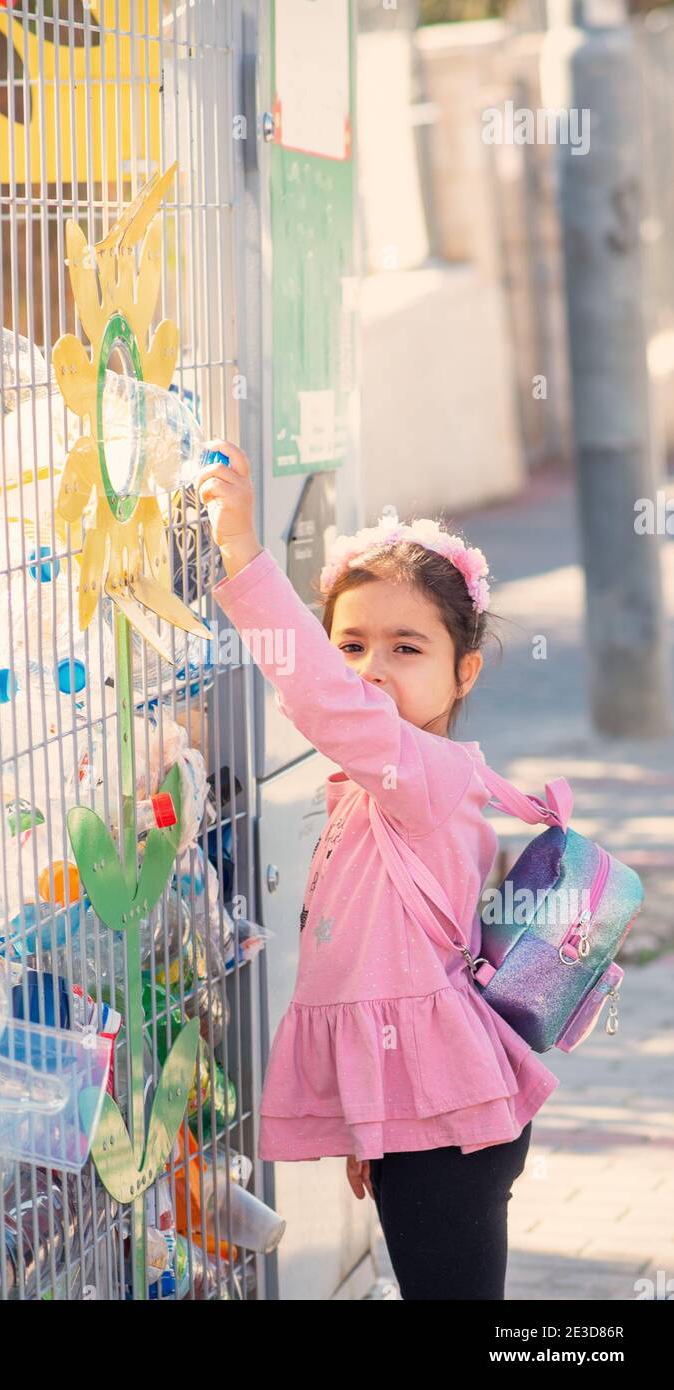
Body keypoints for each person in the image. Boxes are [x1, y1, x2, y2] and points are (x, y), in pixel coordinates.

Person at [196, 440, 559, 1301]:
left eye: (405, 649)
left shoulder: (421, 779)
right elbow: (381, 960)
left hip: (448, 1129)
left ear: (462, 670)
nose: (370, 673)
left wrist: (244, 558)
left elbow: (320, 695)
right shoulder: (377, 788)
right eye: (351, 645)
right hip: (422, 1114)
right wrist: (374, 1119)